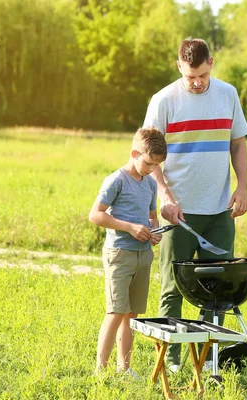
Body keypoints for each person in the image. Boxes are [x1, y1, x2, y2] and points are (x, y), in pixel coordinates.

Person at [143, 38, 247, 371]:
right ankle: (171, 362)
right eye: (190, 76)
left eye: (202, 75)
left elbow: (238, 144)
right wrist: (165, 195)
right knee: (172, 287)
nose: (197, 82)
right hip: (180, 214)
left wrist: (242, 187)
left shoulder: (228, 94)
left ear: (211, 64)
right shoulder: (163, 101)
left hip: (220, 211)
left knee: (217, 291)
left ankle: (206, 361)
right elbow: (149, 156)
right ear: (179, 67)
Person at [88, 127, 167, 377]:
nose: (152, 168)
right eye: (148, 163)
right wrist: (130, 227)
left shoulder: (151, 184)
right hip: (119, 253)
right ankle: (101, 370)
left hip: (143, 255)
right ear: (135, 153)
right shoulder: (117, 180)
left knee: (131, 315)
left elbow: (152, 217)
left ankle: (125, 368)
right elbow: (95, 215)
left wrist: (155, 232)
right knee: (115, 311)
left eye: (157, 165)